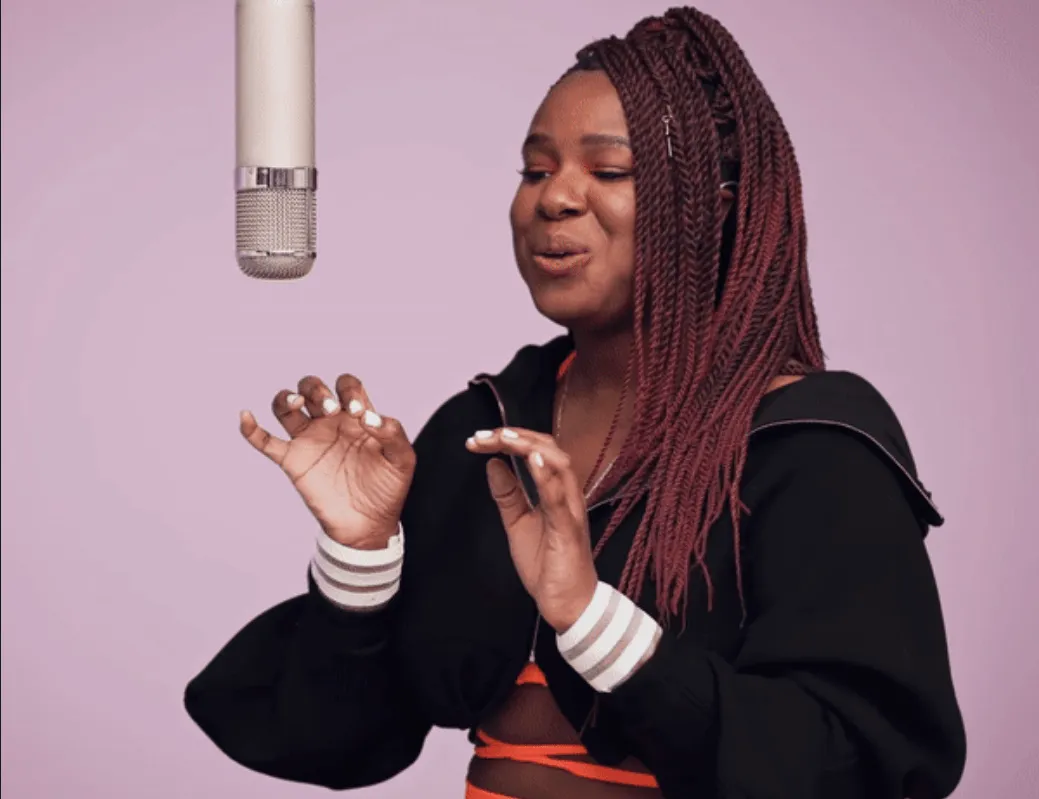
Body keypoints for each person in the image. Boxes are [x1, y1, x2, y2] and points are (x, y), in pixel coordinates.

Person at [184, 7, 966, 798]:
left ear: (717, 202)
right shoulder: (487, 433)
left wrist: (593, 622)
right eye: (533, 171)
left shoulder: (810, 448)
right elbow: (337, 739)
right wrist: (362, 555)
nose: (553, 198)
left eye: (609, 171)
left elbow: (859, 762)